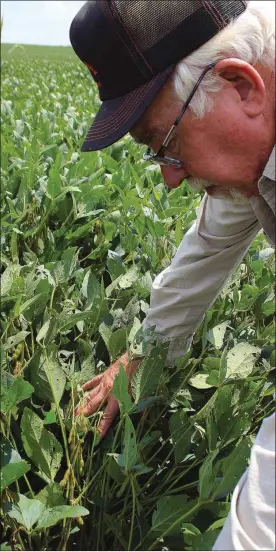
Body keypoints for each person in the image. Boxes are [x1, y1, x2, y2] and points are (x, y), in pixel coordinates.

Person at [70, 1, 275, 549]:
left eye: (167, 143)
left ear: (241, 87)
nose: (168, 179)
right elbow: (204, 250)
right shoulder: (254, 150)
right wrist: (145, 352)